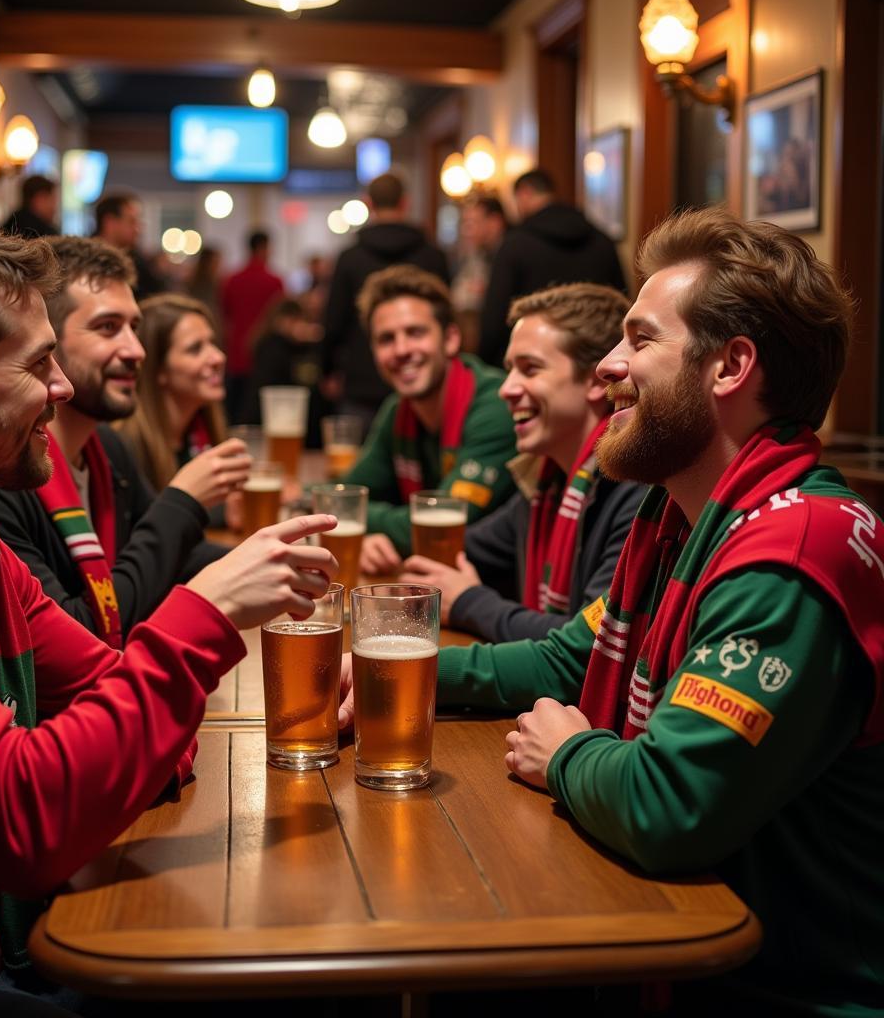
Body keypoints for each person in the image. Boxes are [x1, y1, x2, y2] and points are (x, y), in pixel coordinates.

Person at [343, 207, 884, 1014]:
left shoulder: (792, 552)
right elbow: (570, 659)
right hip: (681, 943)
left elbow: (670, 804)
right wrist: (395, 670)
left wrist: (567, 751)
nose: (607, 366)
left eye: (640, 340)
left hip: (779, 988)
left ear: (730, 366)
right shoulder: (689, 518)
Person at [0, 211, 339, 1016]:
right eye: (40, 363)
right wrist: (206, 613)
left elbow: (125, 717)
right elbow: (22, 816)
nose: (62, 388)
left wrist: (129, 734)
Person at [0, 238, 248, 644]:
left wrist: (278, 557)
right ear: (47, 340)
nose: (136, 350)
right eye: (108, 328)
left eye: (135, 328)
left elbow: (173, 561)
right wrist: (183, 501)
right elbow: (80, 634)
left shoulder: (106, 448)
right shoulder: (5, 476)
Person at [400, 283, 645, 644]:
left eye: (529, 370)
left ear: (596, 380)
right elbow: (464, 548)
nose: (506, 388)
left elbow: (587, 646)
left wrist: (470, 602)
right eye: (510, 369)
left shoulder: (633, 488)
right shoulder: (545, 483)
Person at [341, 265, 516, 573]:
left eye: (416, 332)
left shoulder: (497, 405)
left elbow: (441, 527)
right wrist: (367, 536)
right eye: (386, 339)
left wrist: (364, 523)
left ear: (450, 339)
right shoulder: (398, 410)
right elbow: (344, 496)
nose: (402, 350)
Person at [321, 172, 450, 425]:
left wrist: (327, 370)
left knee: (357, 460)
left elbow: (333, 320)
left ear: (369, 204)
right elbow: (446, 316)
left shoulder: (350, 258)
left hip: (361, 381)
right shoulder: (433, 256)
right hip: (422, 379)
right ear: (405, 203)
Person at [478, 168, 626, 368]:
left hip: (531, 363)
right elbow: (622, 304)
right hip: (596, 363)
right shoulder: (602, 241)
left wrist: (484, 365)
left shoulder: (516, 244)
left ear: (524, 193)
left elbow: (495, 318)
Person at [115, 292, 229, 492]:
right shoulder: (127, 446)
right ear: (158, 369)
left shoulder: (202, 429)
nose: (218, 357)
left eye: (212, 343)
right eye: (195, 349)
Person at [240, 297, 329, 448]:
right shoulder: (271, 346)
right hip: (271, 425)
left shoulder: (308, 349)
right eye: (293, 321)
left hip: (305, 431)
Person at [221, 230, 284, 420]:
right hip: (264, 358)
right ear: (263, 248)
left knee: (235, 414)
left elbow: (226, 315)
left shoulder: (231, 280)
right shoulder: (275, 282)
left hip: (236, 355)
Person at [451, 195, 507, 353]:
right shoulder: (475, 256)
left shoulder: (512, 256)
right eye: (464, 223)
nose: (466, 231)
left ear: (495, 223)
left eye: (472, 223)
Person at [94, 191, 165, 299]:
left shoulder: (137, 261)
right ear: (110, 222)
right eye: (132, 221)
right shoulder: (86, 260)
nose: (138, 229)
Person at [0, 175, 59, 240]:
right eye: (52, 199)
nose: (54, 207)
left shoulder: (9, 226)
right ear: (39, 199)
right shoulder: (45, 236)